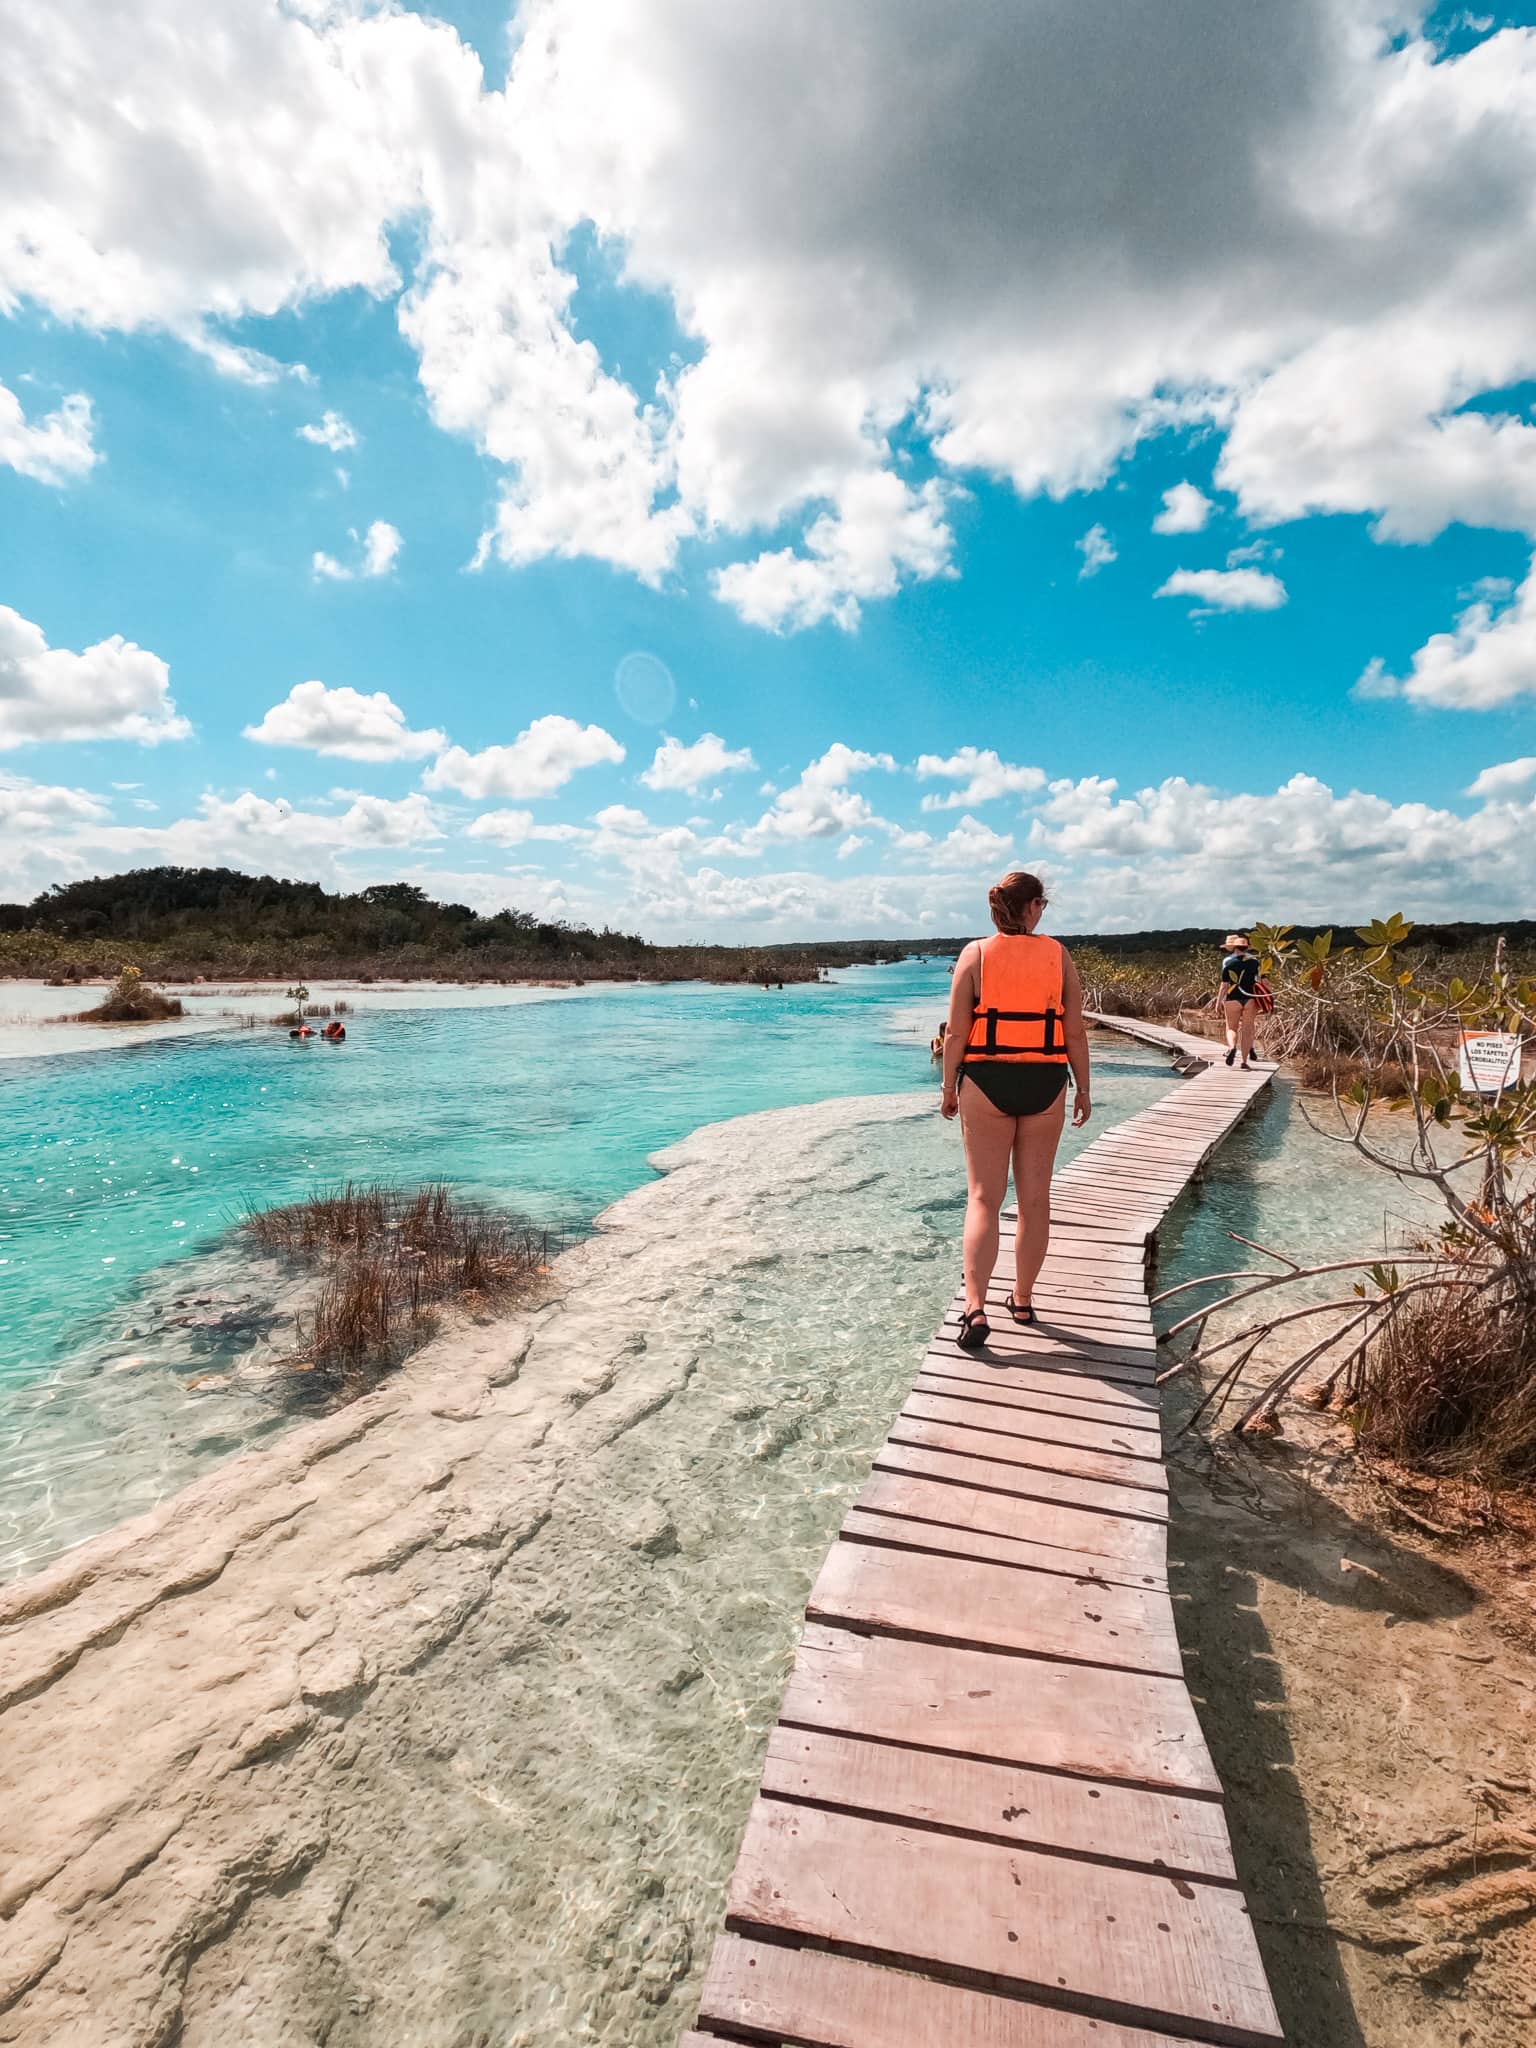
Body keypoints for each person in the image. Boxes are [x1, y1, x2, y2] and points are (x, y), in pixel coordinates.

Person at [940, 872, 1091, 1350]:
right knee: (1034, 1201)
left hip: (986, 1082)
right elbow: (1075, 1031)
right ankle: (1022, 1300)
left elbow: (957, 1034)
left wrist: (948, 1087)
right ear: (1032, 908)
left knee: (984, 1198)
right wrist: (1084, 1088)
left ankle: (976, 1307)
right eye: (1041, 903)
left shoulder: (975, 954)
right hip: (1045, 1083)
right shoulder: (1058, 955)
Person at [1216, 931, 1262, 1070]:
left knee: (1231, 1028)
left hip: (1232, 998)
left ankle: (1231, 1048)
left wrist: (1218, 1003)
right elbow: (1262, 981)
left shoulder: (1229, 963)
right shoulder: (1255, 963)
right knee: (1248, 1029)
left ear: (1234, 948)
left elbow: (1224, 985)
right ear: (1247, 948)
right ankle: (1244, 1061)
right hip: (1250, 998)